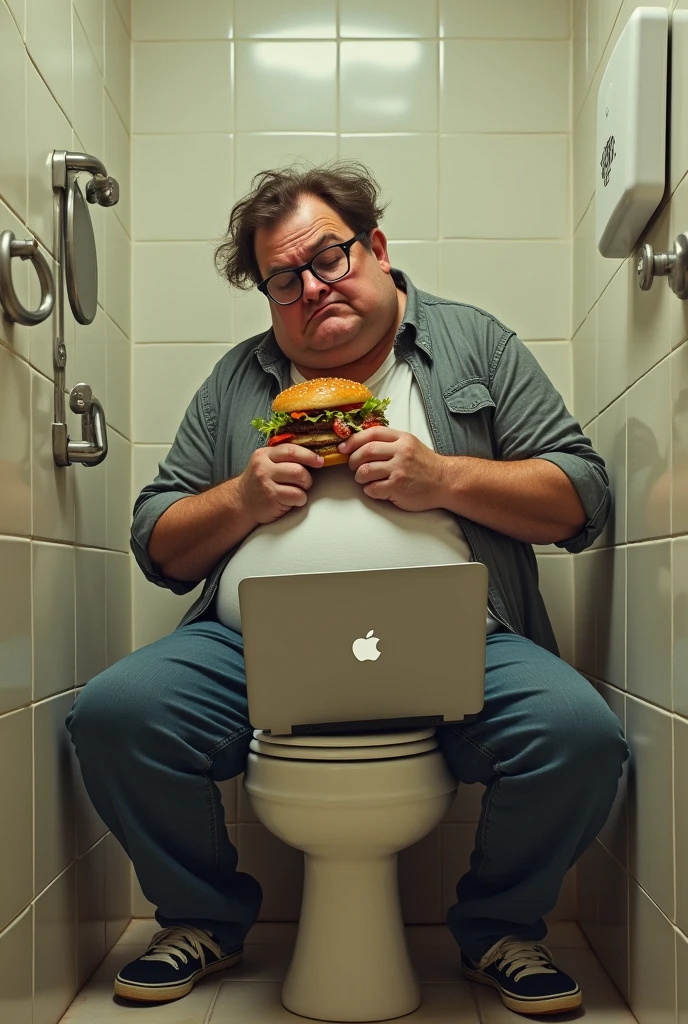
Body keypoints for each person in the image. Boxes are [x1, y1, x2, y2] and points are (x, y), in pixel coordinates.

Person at [67, 162, 628, 1017]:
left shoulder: (473, 343)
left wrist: (443, 478)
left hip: (462, 640)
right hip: (248, 647)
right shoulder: (237, 380)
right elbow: (157, 542)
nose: (311, 288)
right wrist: (242, 497)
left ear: (375, 247)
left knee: (579, 736)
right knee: (115, 715)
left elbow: (582, 498)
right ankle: (203, 917)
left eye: (328, 258)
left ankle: (501, 929)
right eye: (282, 279)